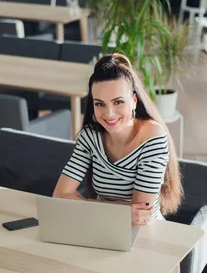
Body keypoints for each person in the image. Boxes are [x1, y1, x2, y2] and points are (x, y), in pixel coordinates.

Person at [52, 53, 183, 225]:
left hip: (146, 232)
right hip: (100, 224)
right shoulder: (90, 135)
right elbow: (60, 196)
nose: (109, 114)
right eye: (100, 104)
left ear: (134, 101)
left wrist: (85, 204)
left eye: (118, 102)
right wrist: (122, 210)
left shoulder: (153, 137)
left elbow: (140, 214)